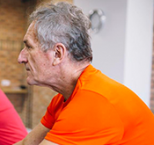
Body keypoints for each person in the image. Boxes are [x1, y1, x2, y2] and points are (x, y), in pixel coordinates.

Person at [15, 2, 154, 145]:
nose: (21, 58)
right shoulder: (62, 100)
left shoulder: (93, 100)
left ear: (58, 54)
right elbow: (27, 143)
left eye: (29, 47)